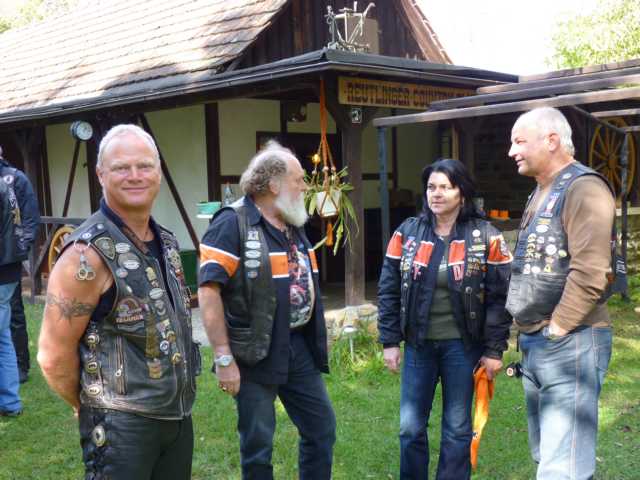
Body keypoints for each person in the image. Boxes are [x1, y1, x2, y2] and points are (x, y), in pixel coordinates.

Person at [38, 124, 199, 479]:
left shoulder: (167, 242)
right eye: (121, 168)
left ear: (158, 172)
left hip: (177, 417)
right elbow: (52, 355)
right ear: (101, 175)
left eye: (144, 166)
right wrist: (88, 404)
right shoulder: (85, 256)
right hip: (121, 426)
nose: (135, 175)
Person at [198, 140, 336, 480]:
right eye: (298, 180)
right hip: (253, 353)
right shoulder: (232, 223)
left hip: (298, 347)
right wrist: (223, 357)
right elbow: (208, 290)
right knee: (258, 446)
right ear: (273, 184)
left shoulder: (292, 221)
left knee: (321, 429)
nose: (305, 187)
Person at [378, 158, 513, 480]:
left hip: (462, 348)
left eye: (445, 187)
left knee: (456, 428)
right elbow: (388, 289)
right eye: (431, 187)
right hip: (418, 345)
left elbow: (501, 297)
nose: (436, 194)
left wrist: (494, 350)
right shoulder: (407, 233)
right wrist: (390, 341)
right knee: (410, 427)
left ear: (462, 193)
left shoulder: (486, 236)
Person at [506, 107, 616, 480]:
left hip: (571, 341)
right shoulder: (543, 190)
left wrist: (557, 330)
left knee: (561, 467)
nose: (511, 151)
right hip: (539, 340)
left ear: (551, 140)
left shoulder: (583, 187)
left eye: (519, 141)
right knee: (550, 456)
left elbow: (591, 271)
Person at [0, 146, 40, 416]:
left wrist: (21, 246)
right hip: (9, 265)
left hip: (8, 263)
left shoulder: (15, 178)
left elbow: (31, 217)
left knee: (12, 320)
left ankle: (20, 370)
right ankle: (10, 400)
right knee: (4, 332)